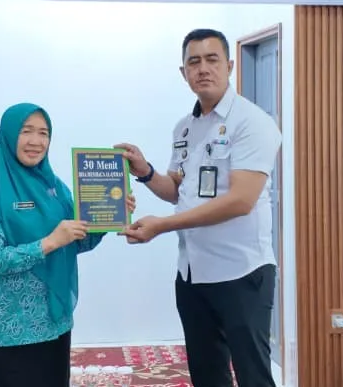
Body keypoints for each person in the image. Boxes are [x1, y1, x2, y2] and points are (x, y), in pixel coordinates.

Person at [116, 28, 282, 387]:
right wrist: (145, 171)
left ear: (230, 66)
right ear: (184, 72)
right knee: (207, 375)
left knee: (253, 375)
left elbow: (241, 201)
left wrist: (162, 225)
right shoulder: (184, 128)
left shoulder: (252, 122)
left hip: (241, 272)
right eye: (194, 62)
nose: (203, 68)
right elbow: (178, 191)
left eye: (212, 59)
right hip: (192, 274)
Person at [0, 103, 136, 387]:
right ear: (9, 135)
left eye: (43, 133)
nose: (36, 141)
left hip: (54, 324)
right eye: (26, 131)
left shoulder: (54, 188)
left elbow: (75, 242)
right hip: (7, 331)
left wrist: (110, 215)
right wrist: (49, 242)